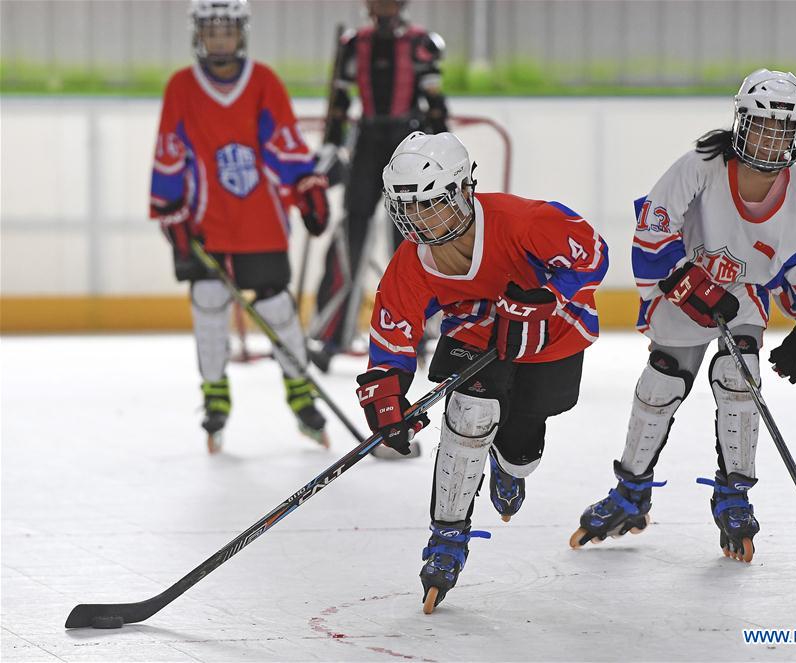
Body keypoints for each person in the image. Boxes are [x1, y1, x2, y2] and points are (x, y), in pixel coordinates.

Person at [571, 69, 796, 564]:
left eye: (783, 130)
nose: (770, 139)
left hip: (742, 297)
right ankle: (631, 492)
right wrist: (685, 280)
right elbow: (654, 228)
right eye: (761, 126)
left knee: (741, 375)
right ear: (742, 124)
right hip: (683, 280)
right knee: (662, 381)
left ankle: (734, 496)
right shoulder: (701, 164)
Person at [354, 131, 610, 612]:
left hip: (549, 334)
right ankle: (447, 538)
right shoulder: (412, 261)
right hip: (475, 333)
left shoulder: (525, 221)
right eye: (407, 209)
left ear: (464, 190)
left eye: (430, 204)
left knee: (521, 452)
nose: (420, 221)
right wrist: (387, 396)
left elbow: (593, 255)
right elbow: (393, 332)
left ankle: (507, 465)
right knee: (468, 416)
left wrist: (547, 296)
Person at [149, 0, 331, 452]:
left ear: (241, 34)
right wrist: (170, 209)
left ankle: (300, 390)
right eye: (211, 31)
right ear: (199, 35)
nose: (220, 39)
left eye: (227, 30)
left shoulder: (264, 81)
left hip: (259, 220)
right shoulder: (181, 86)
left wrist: (305, 185)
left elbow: (284, 140)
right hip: (206, 220)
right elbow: (169, 148)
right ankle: (214, 395)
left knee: (276, 309)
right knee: (208, 302)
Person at [310, 0, 449, 372]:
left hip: (408, 142)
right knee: (350, 238)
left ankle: (416, 335)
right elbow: (338, 104)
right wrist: (329, 145)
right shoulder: (353, 43)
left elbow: (436, 106)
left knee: (409, 241)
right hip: (366, 143)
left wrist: (443, 152)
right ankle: (330, 335)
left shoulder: (421, 43)